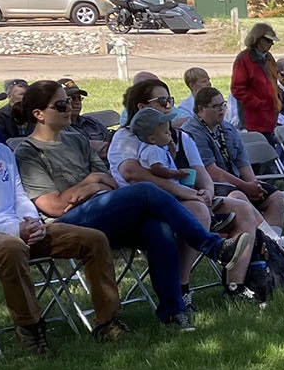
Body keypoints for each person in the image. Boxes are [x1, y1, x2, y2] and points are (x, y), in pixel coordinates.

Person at [14, 80, 251, 331]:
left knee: (157, 227)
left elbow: (109, 183)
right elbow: (54, 205)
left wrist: (92, 185)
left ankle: (174, 311)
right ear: (38, 114)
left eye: (70, 102)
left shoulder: (77, 139)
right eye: (61, 104)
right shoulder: (29, 152)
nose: (70, 107)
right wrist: (92, 181)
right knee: (145, 189)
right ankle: (214, 246)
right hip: (64, 226)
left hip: (103, 210)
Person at [0, 81, 126, 353]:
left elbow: (19, 196)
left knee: (93, 239)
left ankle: (108, 321)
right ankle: (31, 329)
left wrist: (33, 222)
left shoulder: (1, 151)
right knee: (11, 246)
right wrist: (15, 229)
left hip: (19, 231)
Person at [112, 78, 264, 299]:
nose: (168, 105)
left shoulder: (179, 136)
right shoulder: (125, 138)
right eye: (162, 101)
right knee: (198, 210)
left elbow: (201, 173)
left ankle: (235, 286)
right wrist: (189, 194)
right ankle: (182, 288)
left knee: (243, 208)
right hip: (144, 208)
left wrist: (207, 193)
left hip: (184, 199)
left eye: (170, 99)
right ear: (142, 107)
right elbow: (132, 173)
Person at [183, 85, 284, 250]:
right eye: (216, 106)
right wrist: (245, 187)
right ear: (201, 109)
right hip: (210, 186)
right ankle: (274, 242)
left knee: (275, 197)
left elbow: (243, 162)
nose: (222, 110)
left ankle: (267, 245)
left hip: (237, 182)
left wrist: (253, 185)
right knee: (238, 195)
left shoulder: (228, 129)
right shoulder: (192, 132)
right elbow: (212, 171)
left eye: (223, 105)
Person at [232, 22, 283, 138]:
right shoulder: (244, 59)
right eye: (268, 41)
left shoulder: (268, 57)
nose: (272, 44)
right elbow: (237, 89)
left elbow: (274, 80)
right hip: (253, 120)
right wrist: (259, 104)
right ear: (259, 39)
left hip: (271, 117)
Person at [59, 78, 111, 156]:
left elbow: (111, 139)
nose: (77, 102)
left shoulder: (92, 122)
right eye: (71, 98)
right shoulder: (59, 128)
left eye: (79, 98)